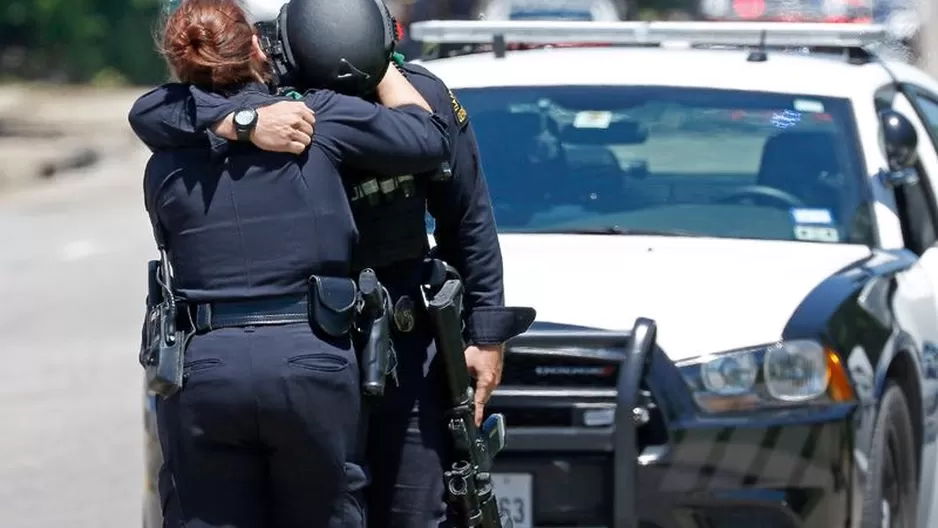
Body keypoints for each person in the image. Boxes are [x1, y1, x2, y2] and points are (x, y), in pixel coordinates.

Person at [130, 1, 530, 526]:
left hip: (401, 337)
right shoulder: (278, 97)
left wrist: (485, 333)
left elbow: (468, 218)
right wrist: (244, 122)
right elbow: (154, 111)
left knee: (412, 511)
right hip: (319, 337)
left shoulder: (418, 96)